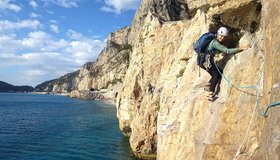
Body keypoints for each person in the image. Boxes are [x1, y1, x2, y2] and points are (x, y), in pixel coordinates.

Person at [201, 27, 250, 101]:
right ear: (218, 34)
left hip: (205, 60)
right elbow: (227, 51)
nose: (222, 38)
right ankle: (210, 93)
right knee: (216, 75)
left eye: (224, 37)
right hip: (205, 61)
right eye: (221, 35)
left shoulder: (214, 39)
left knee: (219, 71)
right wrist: (241, 48)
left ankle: (210, 84)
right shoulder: (215, 43)